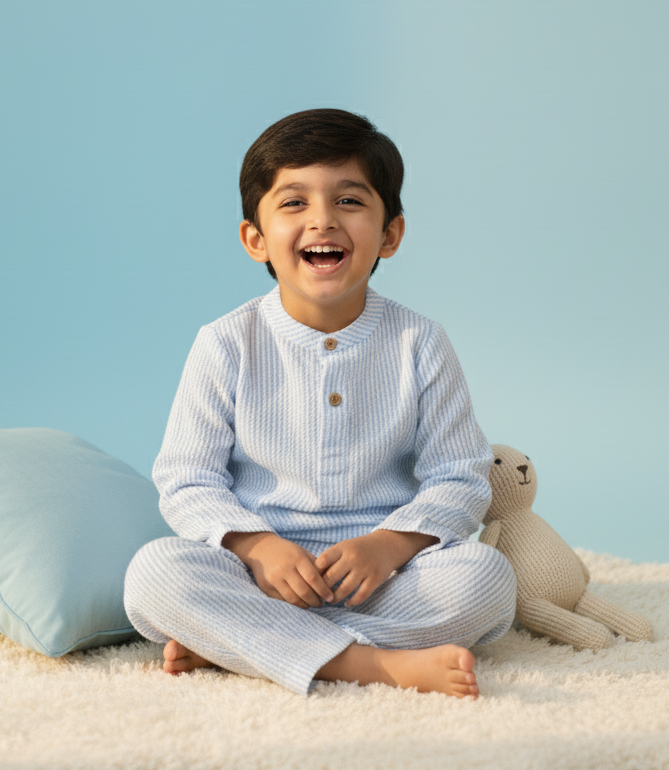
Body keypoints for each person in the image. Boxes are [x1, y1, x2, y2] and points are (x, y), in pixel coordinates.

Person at [124, 108, 516, 697]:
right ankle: (371, 664)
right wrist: (256, 547)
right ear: (254, 238)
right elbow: (186, 479)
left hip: (386, 573)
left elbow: (460, 477)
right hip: (260, 571)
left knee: (486, 579)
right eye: (294, 203)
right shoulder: (225, 343)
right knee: (153, 575)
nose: (323, 221)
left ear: (391, 233)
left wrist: (389, 546)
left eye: (350, 201)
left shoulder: (420, 342)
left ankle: (249, 645)